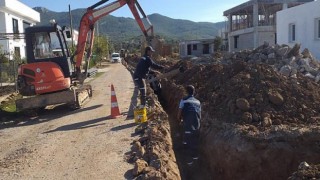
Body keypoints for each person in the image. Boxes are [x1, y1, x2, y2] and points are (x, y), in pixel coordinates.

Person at [177, 85, 201, 166]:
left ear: (186, 92)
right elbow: (199, 114)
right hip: (197, 124)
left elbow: (179, 112)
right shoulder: (198, 101)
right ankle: (196, 158)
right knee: (194, 140)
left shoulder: (183, 100)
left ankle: (189, 162)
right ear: (194, 92)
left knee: (188, 142)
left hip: (188, 123)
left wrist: (179, 120)